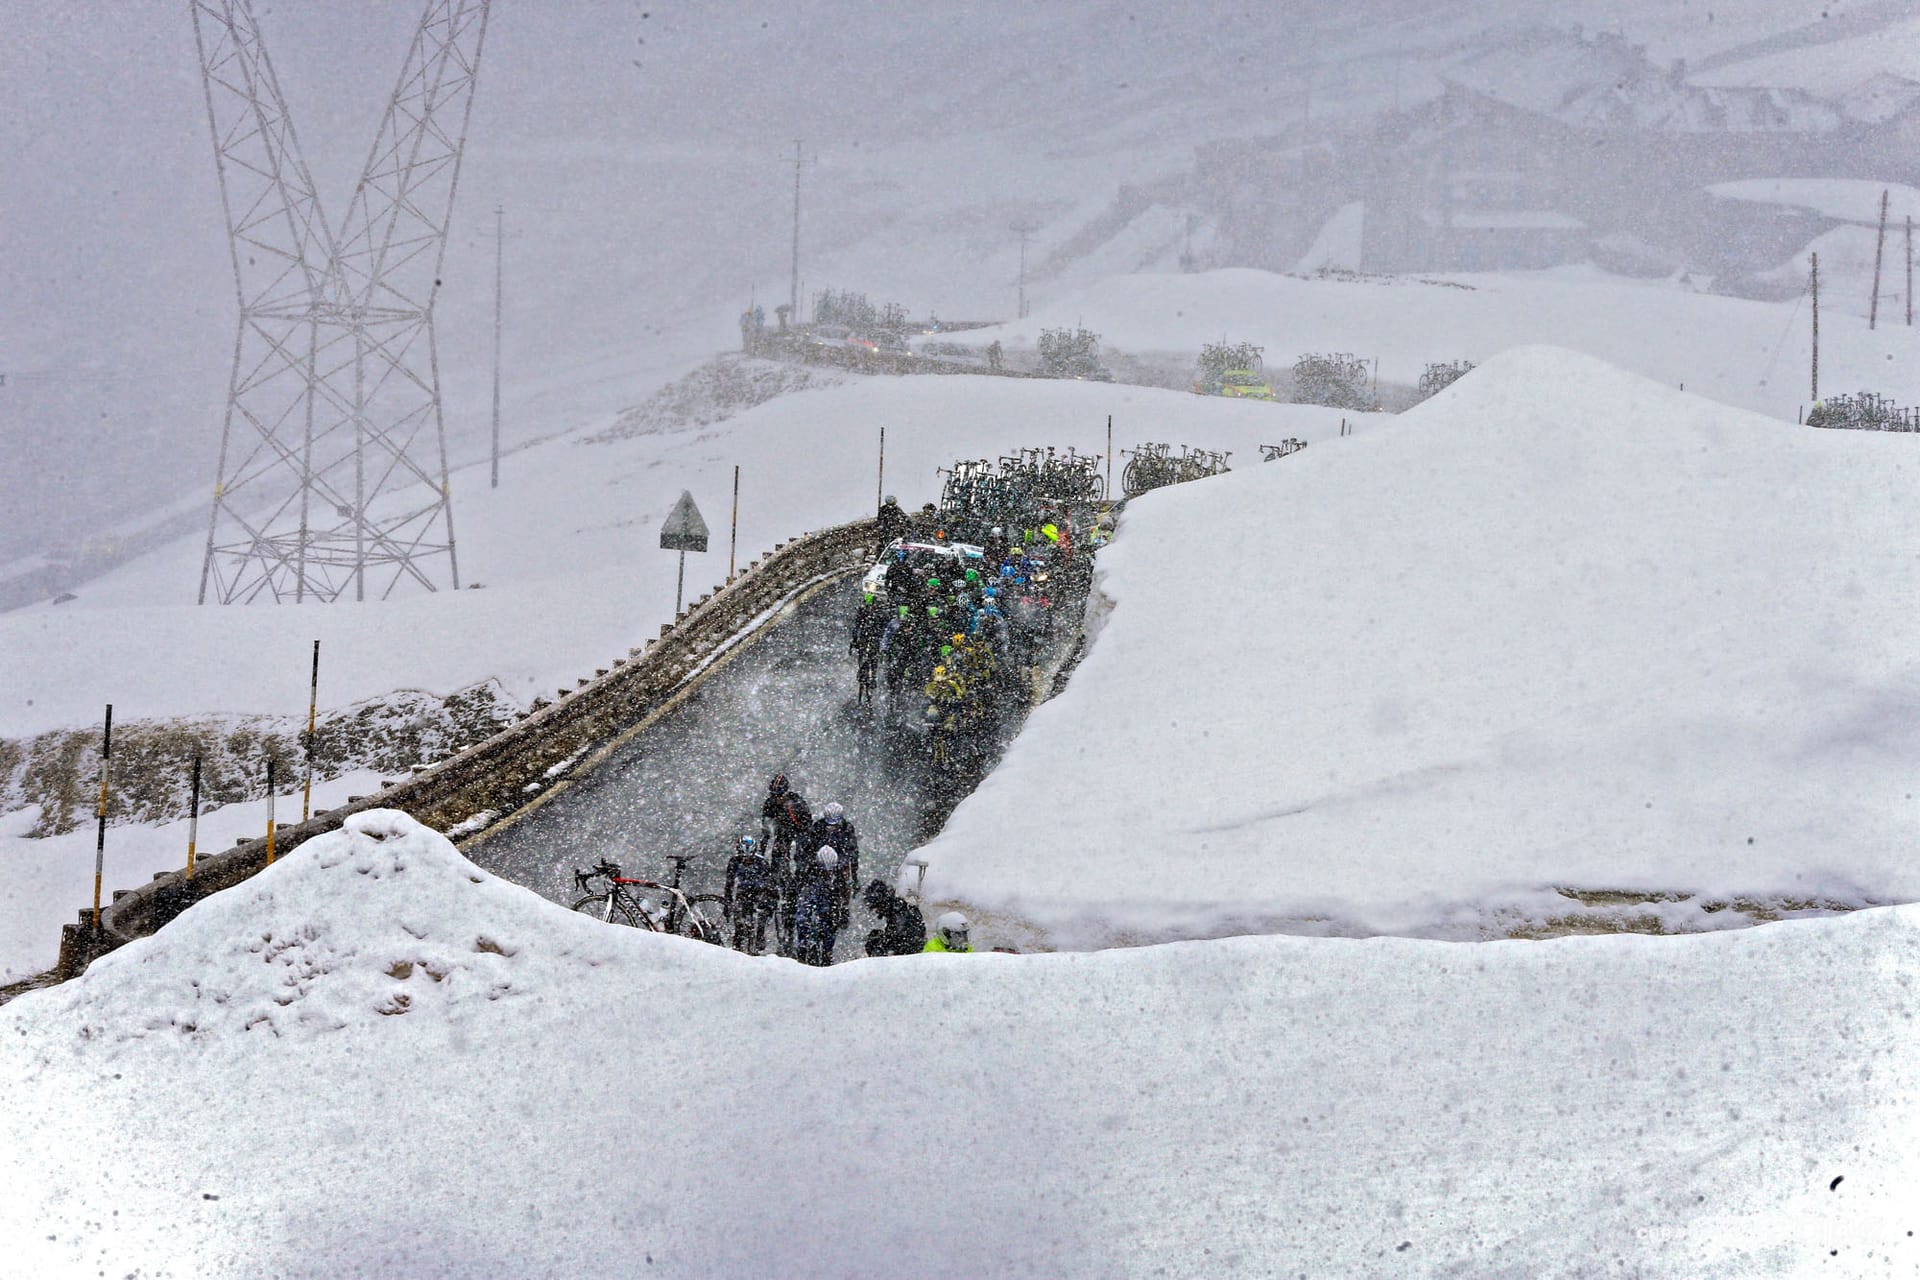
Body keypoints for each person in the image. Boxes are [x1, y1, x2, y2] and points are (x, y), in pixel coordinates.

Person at [760, 774, 812, 955]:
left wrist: (802, 855)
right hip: (781, 844)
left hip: (797, 844)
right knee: (770, 885)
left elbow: (806, 829)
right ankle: (763, 930)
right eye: (774, 794)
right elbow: (765, 830)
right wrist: (761, 852)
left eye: (779, 794)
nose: (777, 797)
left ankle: (790, 934)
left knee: (792, 892)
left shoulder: (796, 804)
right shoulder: (770, 804)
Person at [800, 801, 860, 933]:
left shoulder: (847, 828)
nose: (831, 828)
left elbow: (852, 850)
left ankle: (844, 906)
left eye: (835, 825)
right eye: (829, 824)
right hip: (819, 860)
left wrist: (852, 873)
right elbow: (808, 847)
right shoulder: (817, 827)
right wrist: (810, 861)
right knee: (807, 877)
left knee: (845, 879)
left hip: (840, 860)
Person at [722, 835, 776, 954]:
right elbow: (729, 883)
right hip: (743, 892)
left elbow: (770, 882)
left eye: (749, 857)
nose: (746, 860)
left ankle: (760, 935)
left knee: (762, 913)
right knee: (739, 918)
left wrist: (770, 901)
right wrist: (727, 901)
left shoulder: (761, 861)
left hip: (760, 892)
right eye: (743, 857)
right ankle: (738, 941)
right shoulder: (734, 861)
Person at [793, 847, 841, 966]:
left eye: (830, 871)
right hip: (811, 899)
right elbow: (803, 895)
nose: (828, 873)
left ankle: (827, 952)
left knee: (831, 926)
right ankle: (803, 948)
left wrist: (841, 912)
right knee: (803, 920)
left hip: (828, 903)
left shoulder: (839, 876)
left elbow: (841, 896)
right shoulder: (809, 872)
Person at [862, 879, 926, 956]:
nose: (877, 912)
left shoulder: (901, 914)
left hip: (908, 956)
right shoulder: (897, 910)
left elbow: (906, 942)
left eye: (877, 908)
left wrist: (883, 944)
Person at [850, 592, 888, 703]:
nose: (870, 608)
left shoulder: (880, 614)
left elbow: (883, 629)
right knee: (862, 657)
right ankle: (862, 672)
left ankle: (873, 676)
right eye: (868, 606)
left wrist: (879, 639)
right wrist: (854, 639)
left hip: (875, 638)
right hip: (864, 638)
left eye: (871, 606)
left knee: (874, 658)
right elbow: (856, 626)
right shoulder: (861, 613)